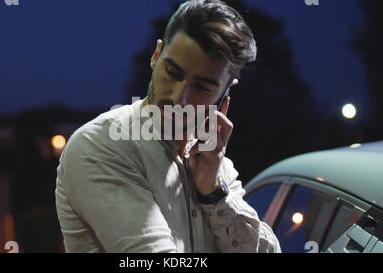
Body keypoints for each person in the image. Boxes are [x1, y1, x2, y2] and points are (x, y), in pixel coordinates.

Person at [55, 0, 281, 253]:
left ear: (225, 92)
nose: (178, 98)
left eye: (202, 87)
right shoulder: (100, 146)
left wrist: (214, 192)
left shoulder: (215, 164)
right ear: (156, 55)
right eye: (173, 72)